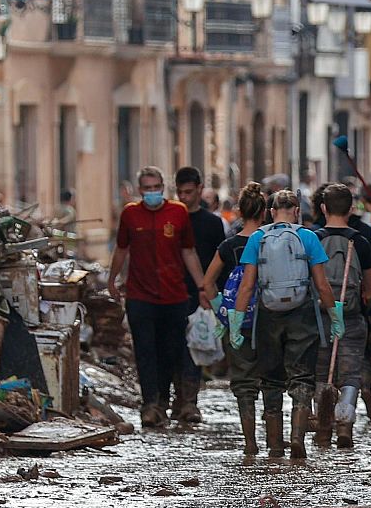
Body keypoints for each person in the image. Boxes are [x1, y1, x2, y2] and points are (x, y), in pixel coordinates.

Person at [228, 189, 339, 460]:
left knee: (271, 378)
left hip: (268, 315)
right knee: (302, 376)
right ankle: (297, 437)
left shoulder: (257, 238)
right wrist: (335, 318)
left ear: (270, 212)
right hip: (302, 314)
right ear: (297, 211)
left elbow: (247, 286)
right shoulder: (308, 237)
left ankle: (275, 446)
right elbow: (322, 285)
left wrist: (236, 323)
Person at [111, 166, 207, 429]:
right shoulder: (130, 215)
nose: (152, 193)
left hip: (174, 295)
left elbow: (188, 252)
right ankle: (150, 405)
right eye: (147, 188)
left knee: (170, 351)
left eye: (156, 188)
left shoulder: (177, 213)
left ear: (163, 188)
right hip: (140, 295)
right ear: (140, 190)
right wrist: (112, 279)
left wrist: (202, 286)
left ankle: (166, 402)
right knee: (144, 351)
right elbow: (121, 249)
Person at [200, 182, 267, 455]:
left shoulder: (228, 246)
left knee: (243, 381)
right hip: (269, 319)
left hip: (236, 322)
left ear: (240, 211)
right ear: (264, 212)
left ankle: (250, 441)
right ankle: (278, 441)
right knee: (273, 381)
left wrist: (222, 312)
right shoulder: (269, 241)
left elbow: (207, 283)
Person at [311, 184, 371, 448]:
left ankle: (323, 427)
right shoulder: (360, 240)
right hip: (351, 316)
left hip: (319, 317)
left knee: (320, 373)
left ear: (323, 208)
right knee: (350, 374)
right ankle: (345, 426)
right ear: (351, 209)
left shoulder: (313, 238)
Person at [171, 166, 227, 425]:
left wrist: (216, 294)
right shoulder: (170, 219)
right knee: (173, 346)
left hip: (200, 294)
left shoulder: (212, 223)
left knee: (195, 345)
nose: (185, 197)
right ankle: (176, 398)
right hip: (171, 291)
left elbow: (220, 259)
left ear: (200, 189)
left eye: (189, 192)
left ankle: (189, 402)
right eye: (180, 192)